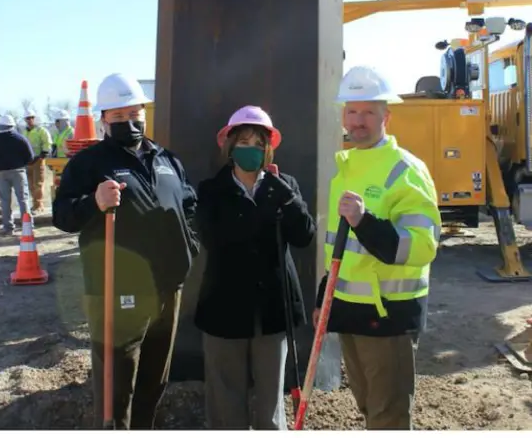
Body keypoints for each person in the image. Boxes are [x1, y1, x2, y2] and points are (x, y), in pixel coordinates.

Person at [52, 72, 200, 430]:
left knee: (154, 378)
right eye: (118, 116)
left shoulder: (167, 159)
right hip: (118, 290)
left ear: (144, 114)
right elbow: (62, 216)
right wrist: (94, 202)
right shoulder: (89, 163)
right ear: (103, 119)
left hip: (168, 287)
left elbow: (189, 205)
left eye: (133, 113)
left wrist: (189, 245)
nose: (128, 122)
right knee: (117, 384)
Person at [314, 66, 440, 430]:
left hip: (388, 316)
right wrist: (326, 298)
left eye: (368, 112)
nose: (358, 121)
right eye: (352, 111)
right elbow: (338, 248)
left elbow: (421, 247)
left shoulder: (405, 170)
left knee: (388, 416)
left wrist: (366, 222)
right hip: (350, 311)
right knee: (369, 407)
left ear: (387, 116)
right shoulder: (347, 167)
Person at [194, 105, 316, 430]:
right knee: (226, 401)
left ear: (269, 148)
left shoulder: (283, 185)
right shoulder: (211, 191)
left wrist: (286, 199)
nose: (252, 149)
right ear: (230, 147)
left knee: (270, 403)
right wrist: (255, 207)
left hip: (272, 311)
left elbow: (304, 235)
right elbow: (213, 238)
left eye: (259, 143)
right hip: (224, 309)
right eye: (244, 142)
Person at [0, 114, 35, 236]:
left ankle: (8, 228)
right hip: (18, 172)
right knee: (23, 199)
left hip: (1, 174)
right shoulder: (20, 139)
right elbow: (30, 156)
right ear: (12, 125)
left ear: (0, 126)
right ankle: (28, 227)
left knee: (5, 201)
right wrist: (21, 165)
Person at [22, 110, 52, 214]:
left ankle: (39, 205)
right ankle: (35, 204)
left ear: (34, 118)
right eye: (28, 118)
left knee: (38, 183)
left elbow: (47, 144)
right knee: (30, 184)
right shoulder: (24, 132)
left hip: (38, 160)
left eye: (31, 118)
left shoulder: (41, 131)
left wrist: (41, 156)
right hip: (28, 161)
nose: (30, 120)